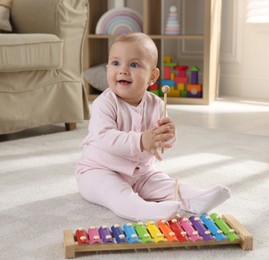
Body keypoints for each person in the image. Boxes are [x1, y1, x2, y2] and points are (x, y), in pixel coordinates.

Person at [76, 32, 230, 221]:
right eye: (116, 63)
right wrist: (141, 140)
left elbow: (159, 139)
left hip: (142, 173)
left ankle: (193, 199)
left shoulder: (156, 104)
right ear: (107, 68)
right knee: (116, 193)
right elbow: (106, 138)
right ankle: (143, 210)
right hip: (99, 171)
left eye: (133, 65)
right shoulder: (104, 103)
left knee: (165, 183)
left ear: (152, 76)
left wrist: (168, 135)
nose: (123, 70)